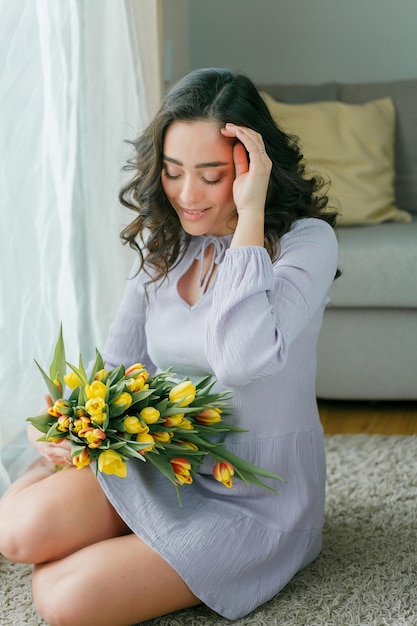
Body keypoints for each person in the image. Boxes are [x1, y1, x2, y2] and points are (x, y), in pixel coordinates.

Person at [0, 67, 339, 626]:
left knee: (64, 603)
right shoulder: (169, 241)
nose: (187, 195)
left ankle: (117, 551)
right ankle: (117, 538)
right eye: (174, 172)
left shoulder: (305, 244)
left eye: (213, 175)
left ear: (253, 170)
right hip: (168, 461)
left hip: (255, 500)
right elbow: (118, 364)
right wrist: (67, 423)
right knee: (17, 534)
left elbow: (239, 359)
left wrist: (249, 218)